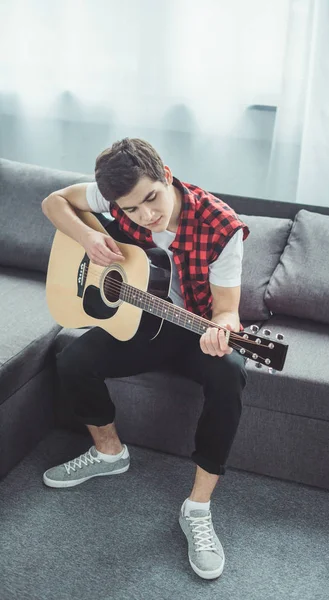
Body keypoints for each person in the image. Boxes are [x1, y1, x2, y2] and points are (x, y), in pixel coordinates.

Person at [41, 137, 249, 580]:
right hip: (141, 321)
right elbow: (53, 201)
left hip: (194, 327)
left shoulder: (221, 225)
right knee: (73, 359)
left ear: (167, 175)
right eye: (131, 210)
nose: (146, 215)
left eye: (152, 198)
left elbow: (227, 309)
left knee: (230, 374)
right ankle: (109, 452)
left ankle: (197, 508)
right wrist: (89, 235)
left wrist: (224, 328)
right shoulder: (115, 198)